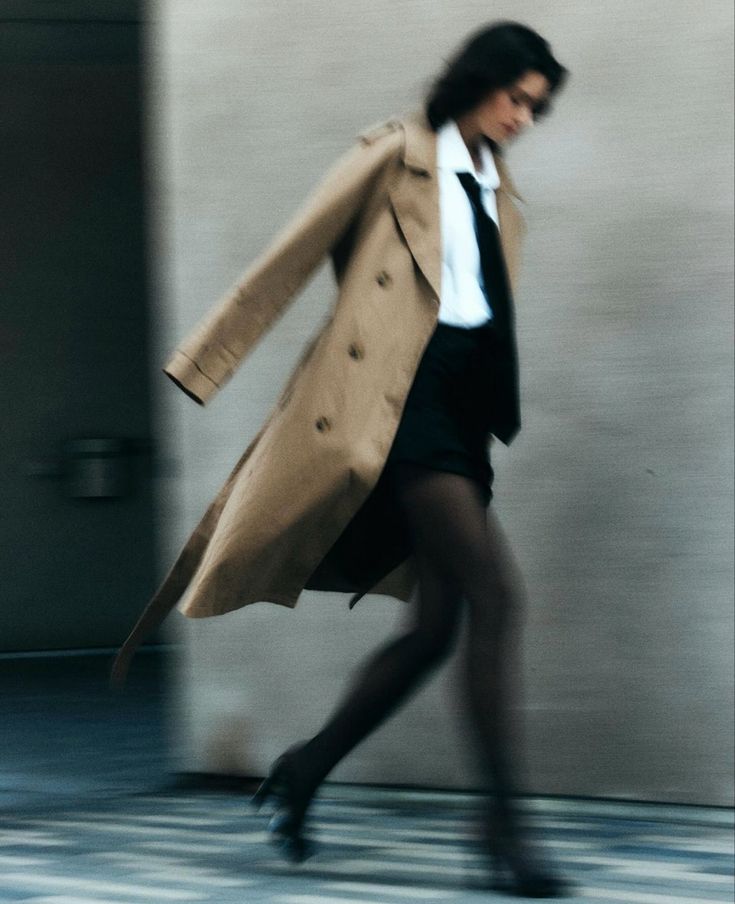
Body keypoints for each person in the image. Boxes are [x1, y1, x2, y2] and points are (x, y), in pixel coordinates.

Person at [113, 18, 569, 900]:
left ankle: (304, 767)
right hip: (396, 408)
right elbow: (291, 253)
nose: (521, 118)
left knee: (438, 627)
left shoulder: (496, 190)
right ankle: (502, 826)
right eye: (515, 97)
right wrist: (207, 361)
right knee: (495, 596)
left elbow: (477, 312)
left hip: (459, 419)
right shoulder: (394, 155)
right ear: (478, 80)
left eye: (534, 109)